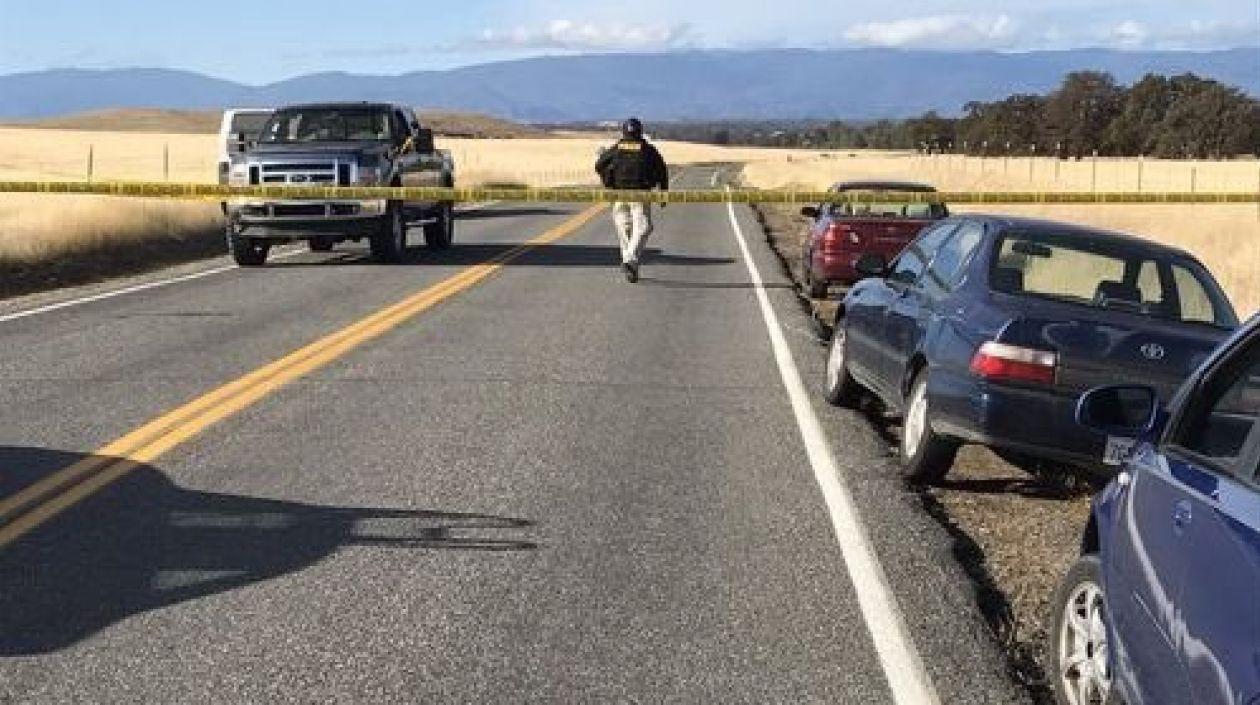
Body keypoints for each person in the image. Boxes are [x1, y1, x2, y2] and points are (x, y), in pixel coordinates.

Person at [595, 118, 669, 283]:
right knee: (643, 228)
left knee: (625, 230)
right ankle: (630, 261)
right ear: (640, 132)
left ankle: (629, 263)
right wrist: (663, 193)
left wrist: (607, 180)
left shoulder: (617, 148)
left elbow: (599, 164)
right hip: (640, 195)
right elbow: (662, 171)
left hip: (619, 195)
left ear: (624, 132)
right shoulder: (648, 150)